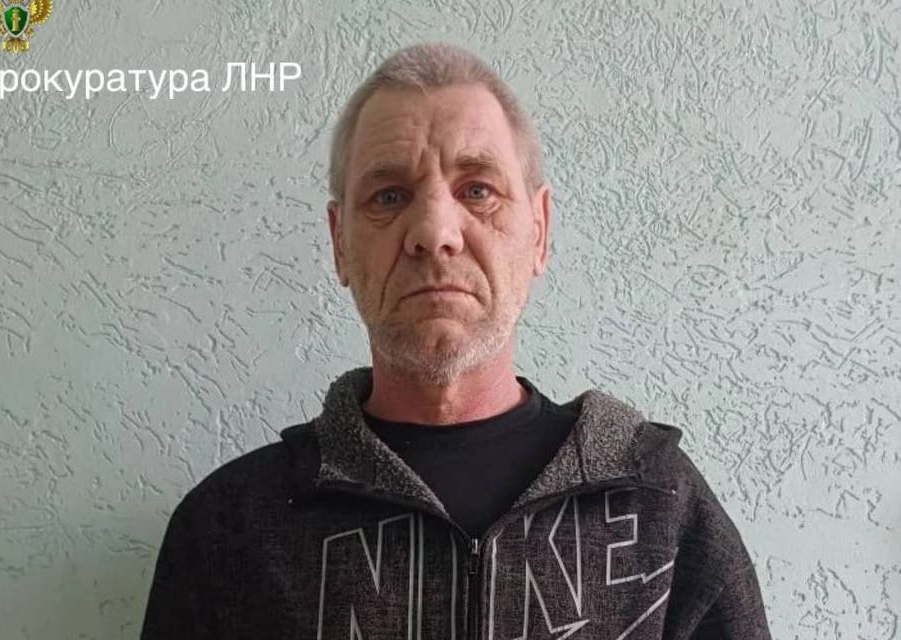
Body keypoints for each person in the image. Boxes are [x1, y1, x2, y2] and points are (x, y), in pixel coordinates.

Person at [139, 42, 773, 639]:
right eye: (389, 195)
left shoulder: (661, 507)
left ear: (539, 230)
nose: (435, 232)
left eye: (477, 190)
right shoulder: (231, 529)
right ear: (339, 243)